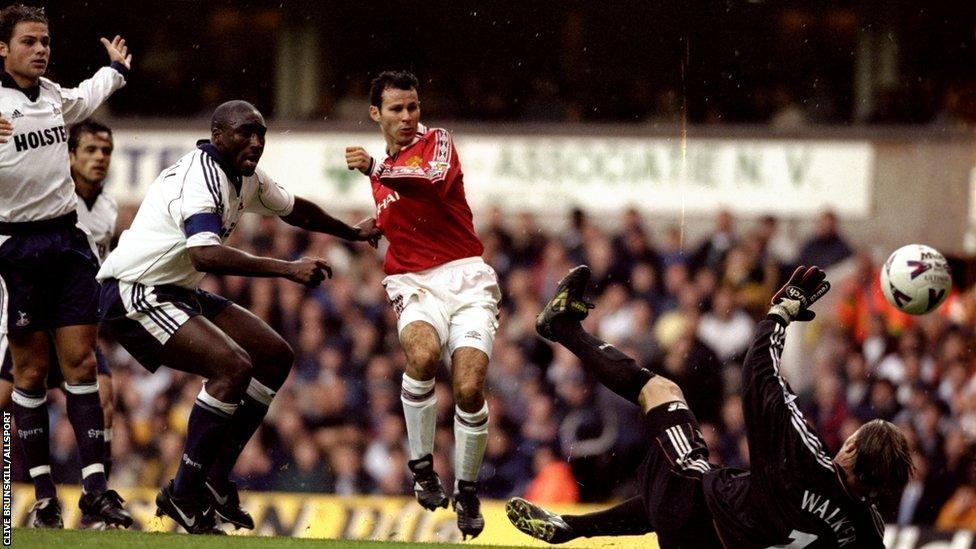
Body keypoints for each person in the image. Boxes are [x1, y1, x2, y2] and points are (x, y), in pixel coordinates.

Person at [97, 100, 381, 535]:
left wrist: (351, 232)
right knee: (232, 366)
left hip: (177, 289)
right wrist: (285, 268)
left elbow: (294, 208)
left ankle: (213, 479)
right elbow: (204, 252)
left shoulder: (244, 175)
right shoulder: (200, 179)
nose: (256, 142)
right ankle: (184, 493)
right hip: (135, 292)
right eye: (245, 133)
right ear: (217, 137)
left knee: (273, 355)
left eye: (261, 134)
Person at [507, 264, 914, 548]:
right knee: (699, 483)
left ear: (852, 449)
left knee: (662, 391)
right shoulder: (864, 533)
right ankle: (569, 527)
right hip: (705, 540)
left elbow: (760, 373)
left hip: (696, 509)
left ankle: (560, 325)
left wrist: (780, 312)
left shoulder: (806, 458)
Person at [345, 70, 501, 540]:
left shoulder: (438, 143)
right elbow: (407, 205)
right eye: (396, 109)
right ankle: (421, 467)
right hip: (413, 282)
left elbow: (430, 183)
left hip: (467, 276)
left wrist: (375, 167)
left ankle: (468, 488)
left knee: (470, 386)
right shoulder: (384, 176)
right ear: (376, 114)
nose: (408, 117)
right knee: (423, 356)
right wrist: (380, 223)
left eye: (413, 106)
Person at [0, 4, 132, 529]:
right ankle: (45, 496)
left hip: (67, 241)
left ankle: (96, 490)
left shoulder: (53, 96)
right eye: (29, 41)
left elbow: (86, 97)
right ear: (3, 48)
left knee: (82, 368)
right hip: (18, 248)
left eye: (45, 42)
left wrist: (116, 72)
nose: (40, 50)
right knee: (29, 375)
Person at [0, 120, 118, 529]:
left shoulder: (108, 207)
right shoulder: (46, 201)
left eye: (106, 151)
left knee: (103, 394)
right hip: (32, 308)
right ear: (68, 156)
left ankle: (97, 497)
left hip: (72, 319)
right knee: (11, 397)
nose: (99, 158)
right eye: (90, 150)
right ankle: (37, 496)